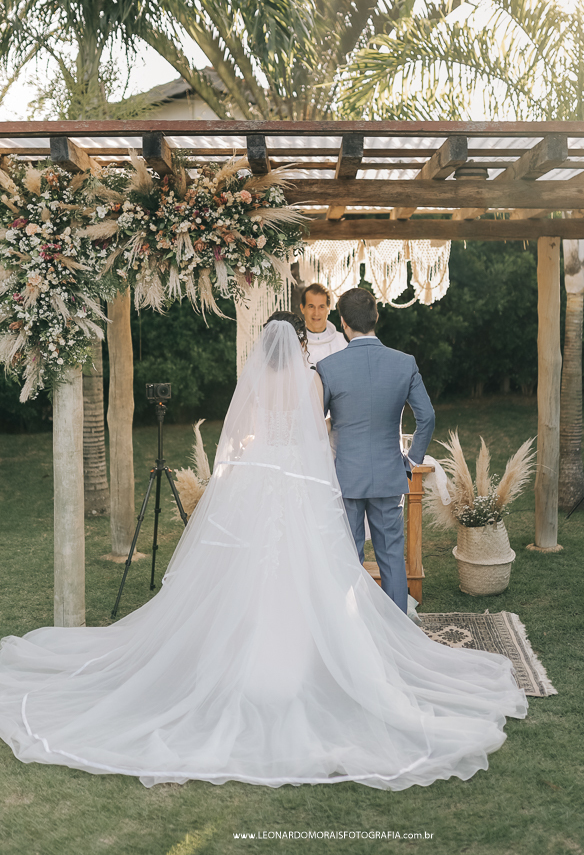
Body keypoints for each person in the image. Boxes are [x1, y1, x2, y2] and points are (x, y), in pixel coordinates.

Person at [0, 313, 526, 790]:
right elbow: (316, 437)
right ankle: (308, 661)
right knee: (309, 568)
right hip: (297, 478)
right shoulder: (310, 379)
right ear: (299, 344)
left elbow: (239, 437)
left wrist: (249, 463)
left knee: (247, 566)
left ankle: (240, 656)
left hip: (257, 476)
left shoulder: (253, 381)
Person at [316, 288, 435, 613]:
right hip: (388, 474)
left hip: (346, 477)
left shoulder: (328, 367)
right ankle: (397, 627)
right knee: (392, 556)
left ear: (342, 322)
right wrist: (411, 460)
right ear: (376, 317)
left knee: (347, 557)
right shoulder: (404, 363)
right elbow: (427, 417)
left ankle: (350, 626)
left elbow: (314, 422)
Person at [299, 282, 347, 364]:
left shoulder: (344, 342)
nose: (316, 313)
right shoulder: (294, 343)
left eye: (321, 307)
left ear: (328, 309)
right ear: (302, 308)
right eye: (311, 307)